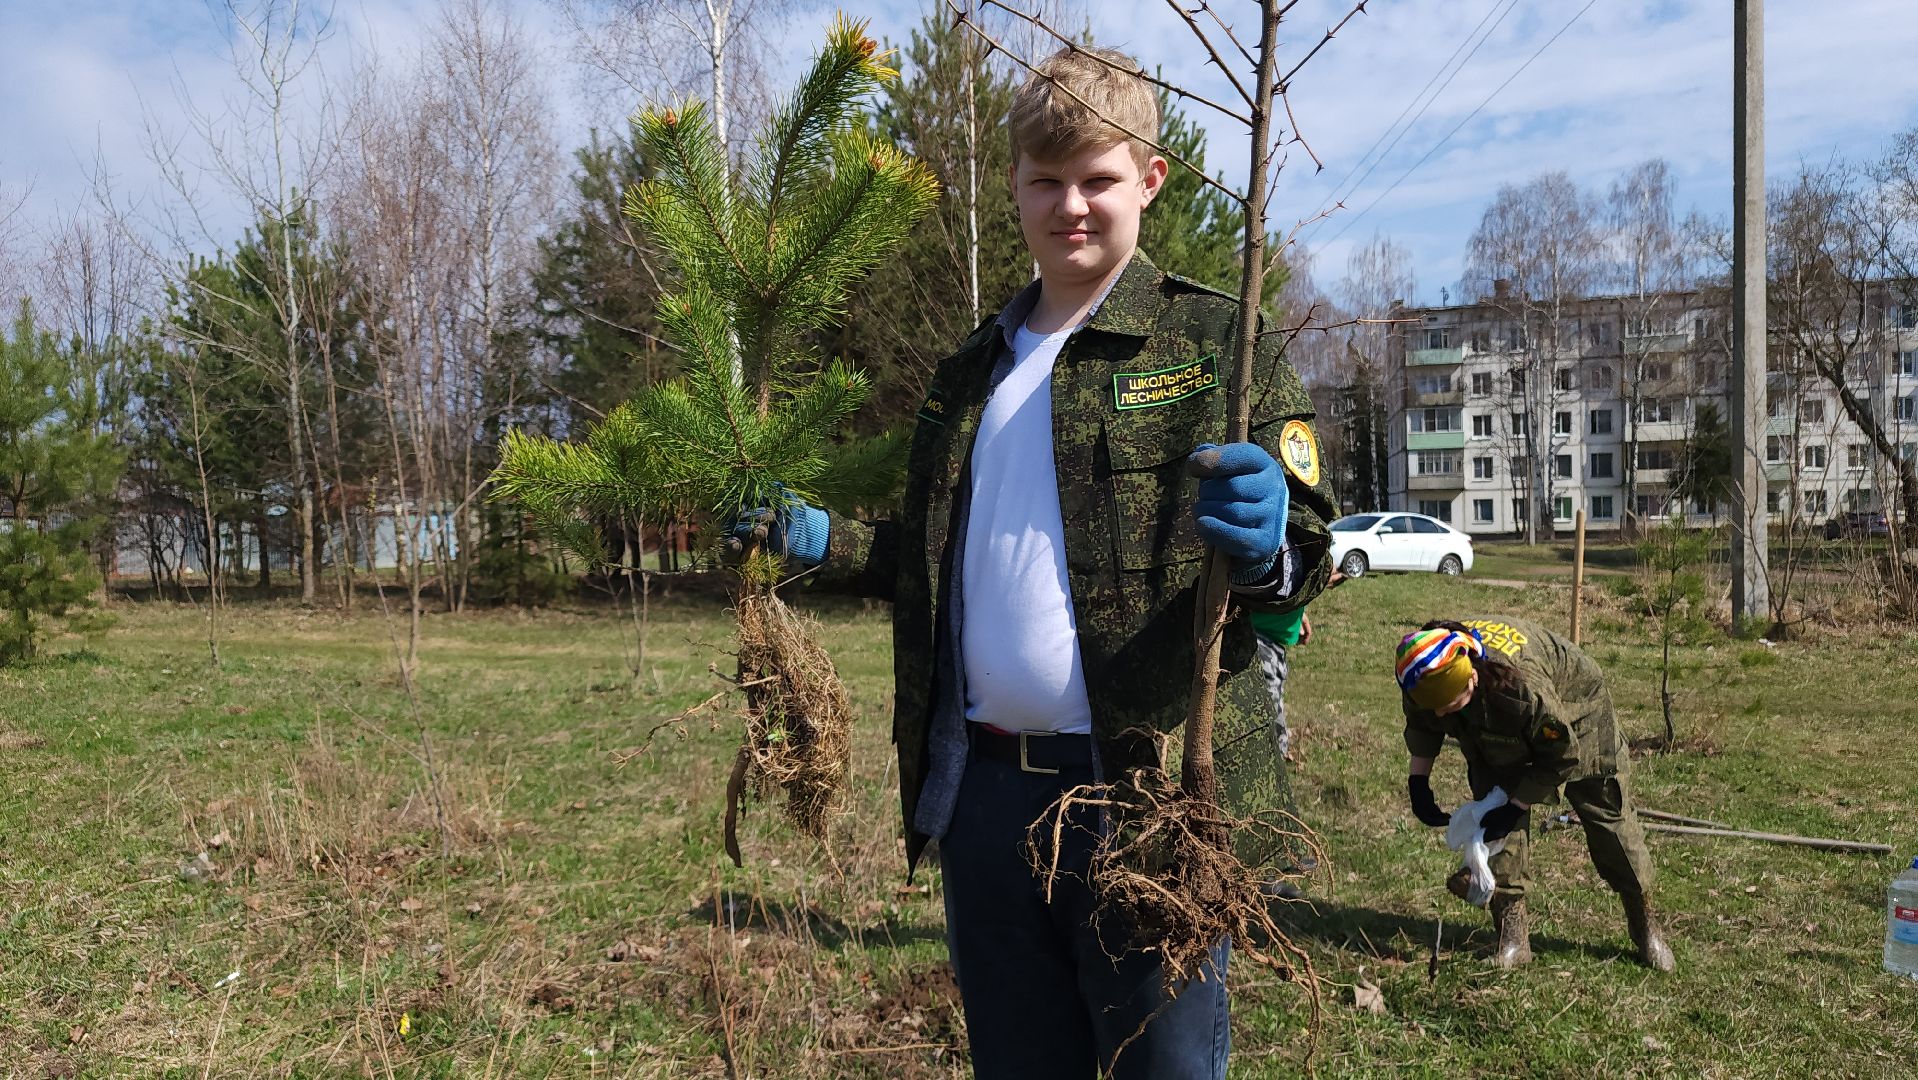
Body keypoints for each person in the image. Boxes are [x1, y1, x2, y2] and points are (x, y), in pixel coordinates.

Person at [736, 46, 1337, 1079]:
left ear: (1148, 181)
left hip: (1145, 798)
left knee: (1163, 1067)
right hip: (985, 798)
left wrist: (1271, 541)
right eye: (1045, 181)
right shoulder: (971, 374)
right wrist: (828, 542)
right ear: (1011, 184)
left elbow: (1307, 550)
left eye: (1097, 179)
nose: (1071, 205)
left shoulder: (1210, 340)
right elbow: (937, 562)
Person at [1394, 617, 1676, 972]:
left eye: (1449, 704)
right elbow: (1423, 722)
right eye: (1434, 706)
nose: (1440, 714)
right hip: (1493, 722)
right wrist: (1418, 783)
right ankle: (1512, 937)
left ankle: (1644, 924)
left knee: (1608, 820)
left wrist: (1516, 805)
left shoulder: (1522, 687)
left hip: (1579, 714)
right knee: (1495, 825)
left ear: (1472, 677)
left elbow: (1561, 756)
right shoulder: (1421, 670)